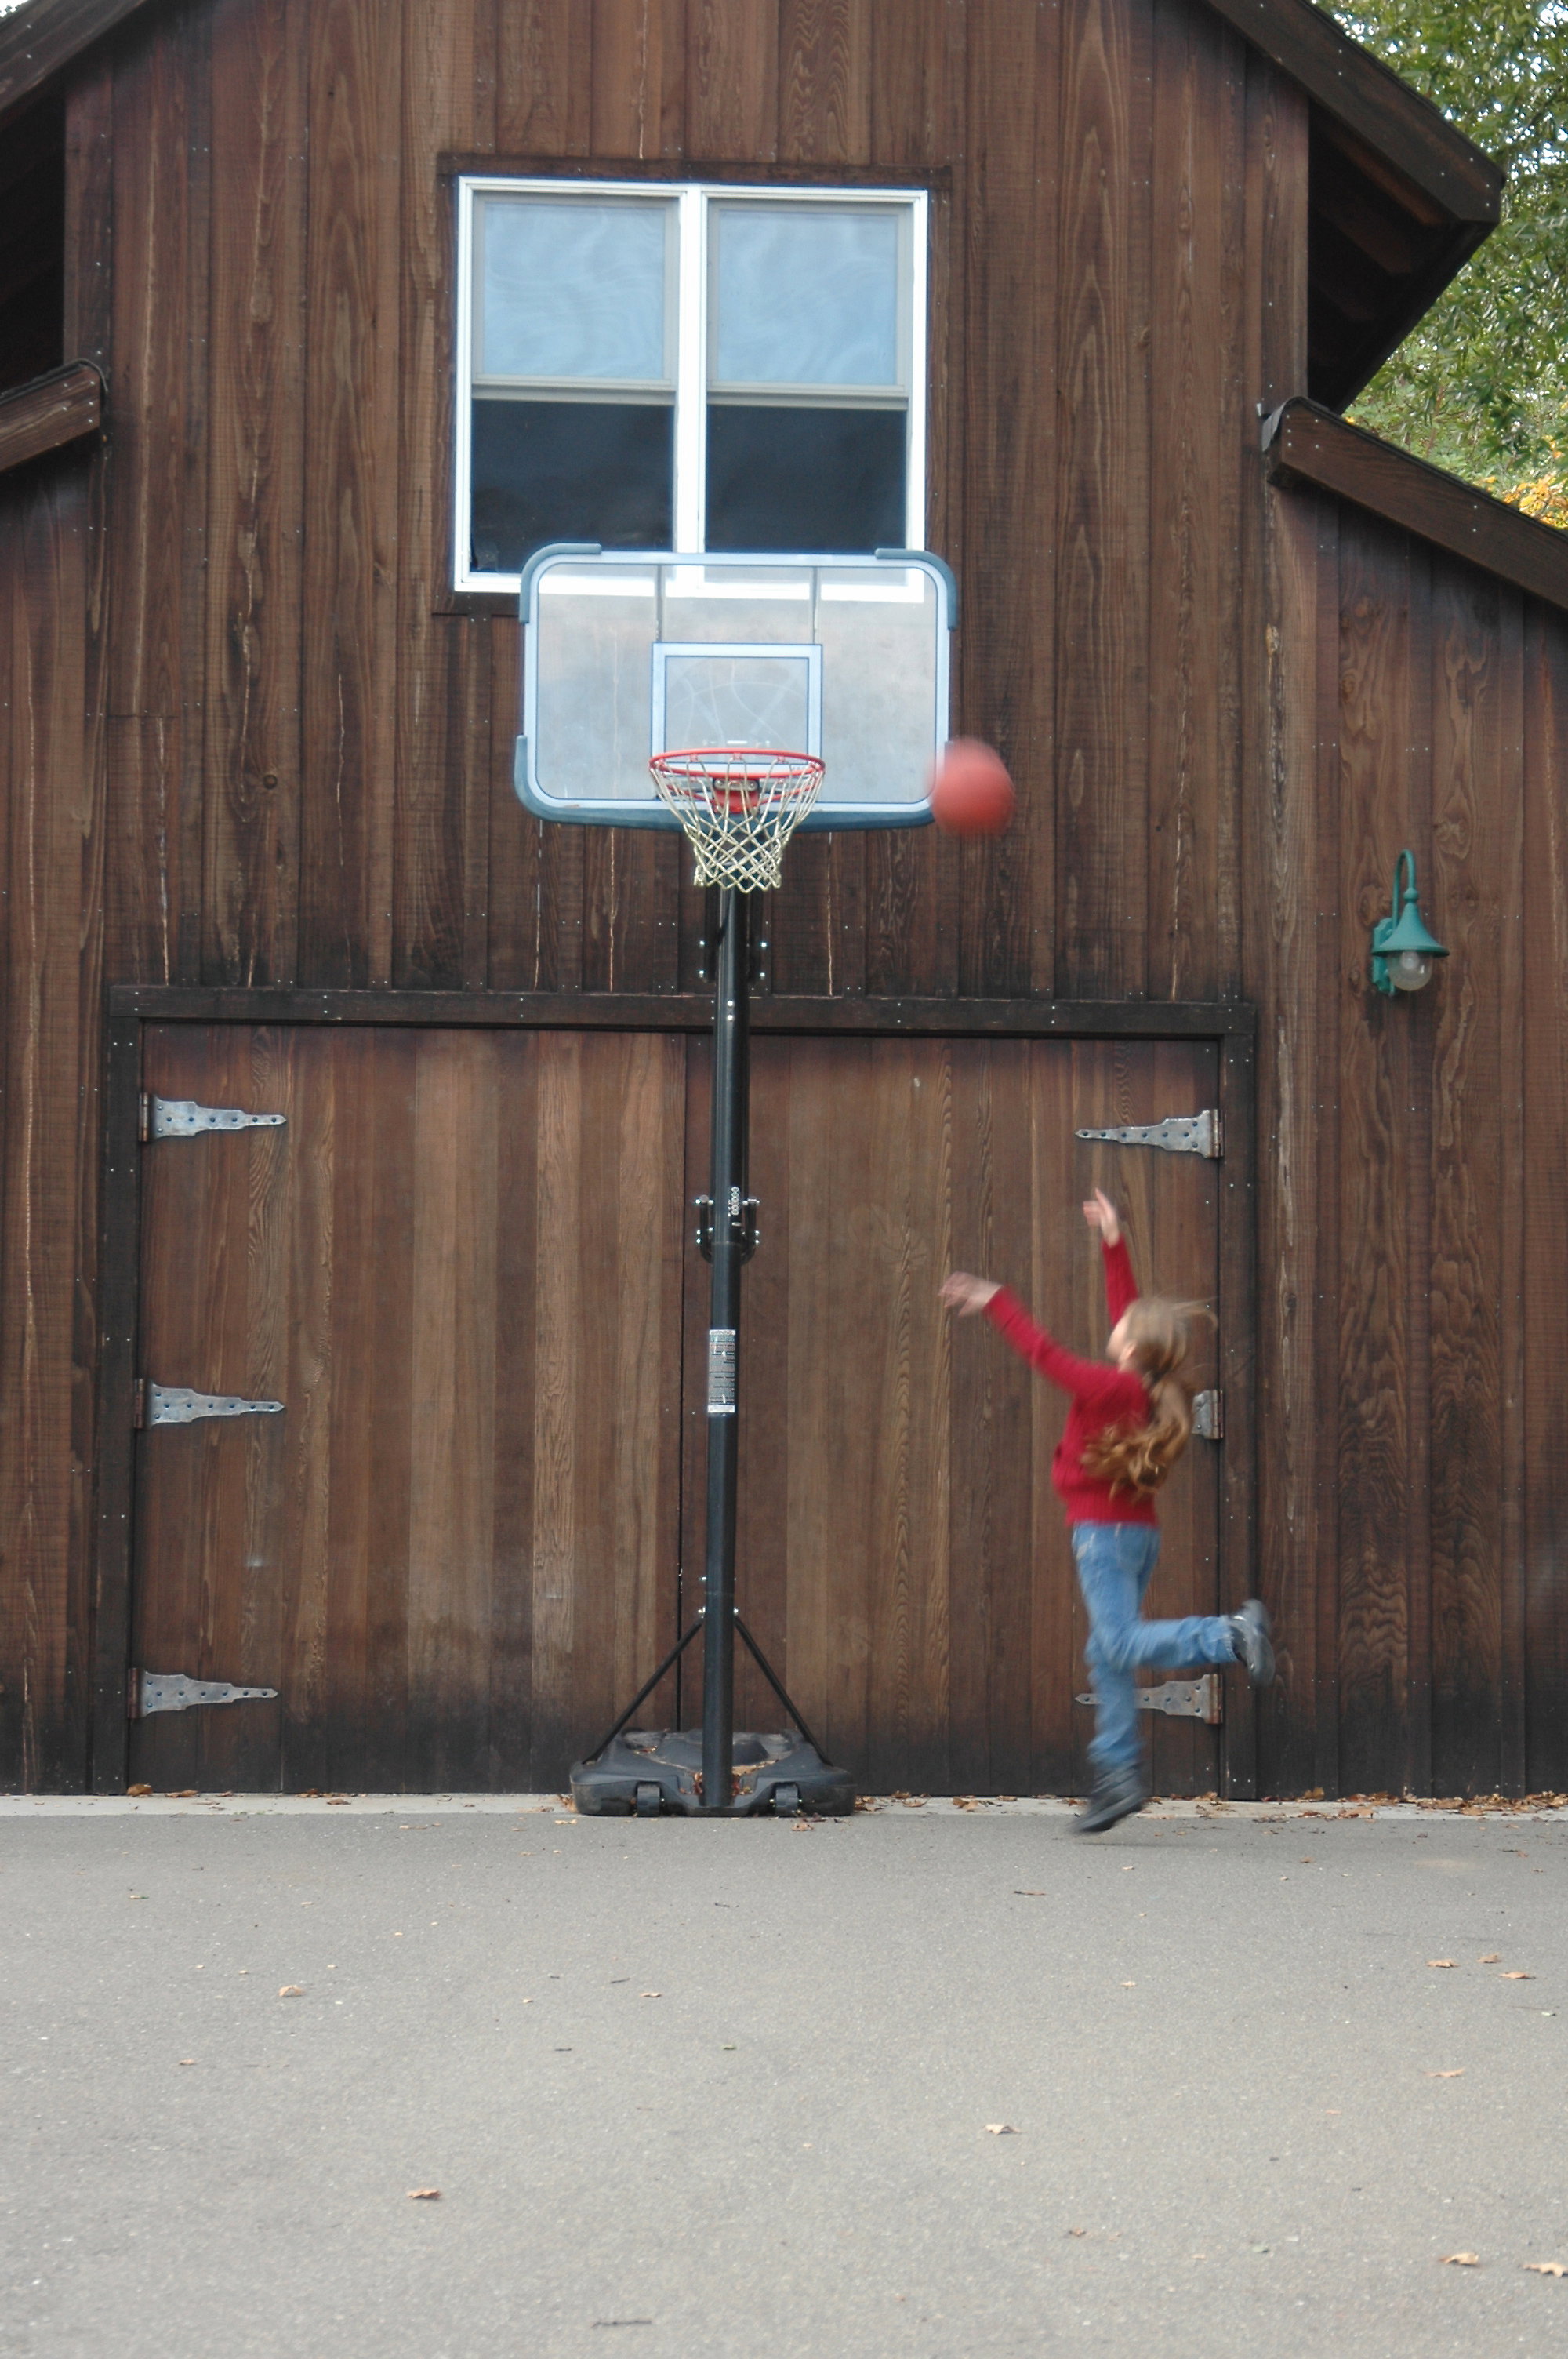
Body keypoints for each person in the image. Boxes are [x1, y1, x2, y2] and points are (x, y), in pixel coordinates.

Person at [939, 1188, 1273, 1834]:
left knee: (1117, 1641)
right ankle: (1117, 1775)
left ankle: (1229, 1635)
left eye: (1123, 1325)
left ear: (1131, 1347)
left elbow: (1046, 1356)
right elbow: (1128, 1308)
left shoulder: (1108, 1386)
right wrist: (1113, 1242)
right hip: (1134, 1536)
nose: (1114, 1322)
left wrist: (996, 1302)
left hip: (1104, 1537)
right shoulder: (1142, 1383)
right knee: (1108, 1653)